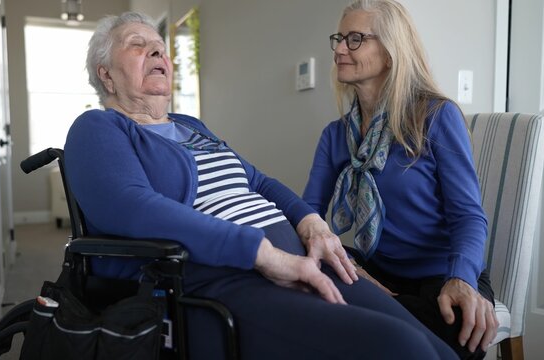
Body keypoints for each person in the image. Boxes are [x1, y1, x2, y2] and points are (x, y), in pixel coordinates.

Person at [64, 11, 457, 359]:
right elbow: (133, 207)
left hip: (299, 257)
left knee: (431, 344)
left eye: (160, 47)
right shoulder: (98, 128)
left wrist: (310, 222)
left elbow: (258, 181)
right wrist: (263, 254)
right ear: (106, 74)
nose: (157, 53)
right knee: (399, 348)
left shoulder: (191, 127)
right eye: (138, 45)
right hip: (220, 277)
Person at [302, 1, 498, 359]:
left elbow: (468, 216)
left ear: (391, 52)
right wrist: (356, 270)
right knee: (316, 263)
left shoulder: (436, 116)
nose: (340, 49)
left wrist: (461, 279)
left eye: (356, 38)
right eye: (340, 38)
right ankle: (383, 315)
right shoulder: (335, 136)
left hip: (445, 274)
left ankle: (382, 317)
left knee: (454, 327)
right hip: (379, 273)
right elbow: (308, 214)